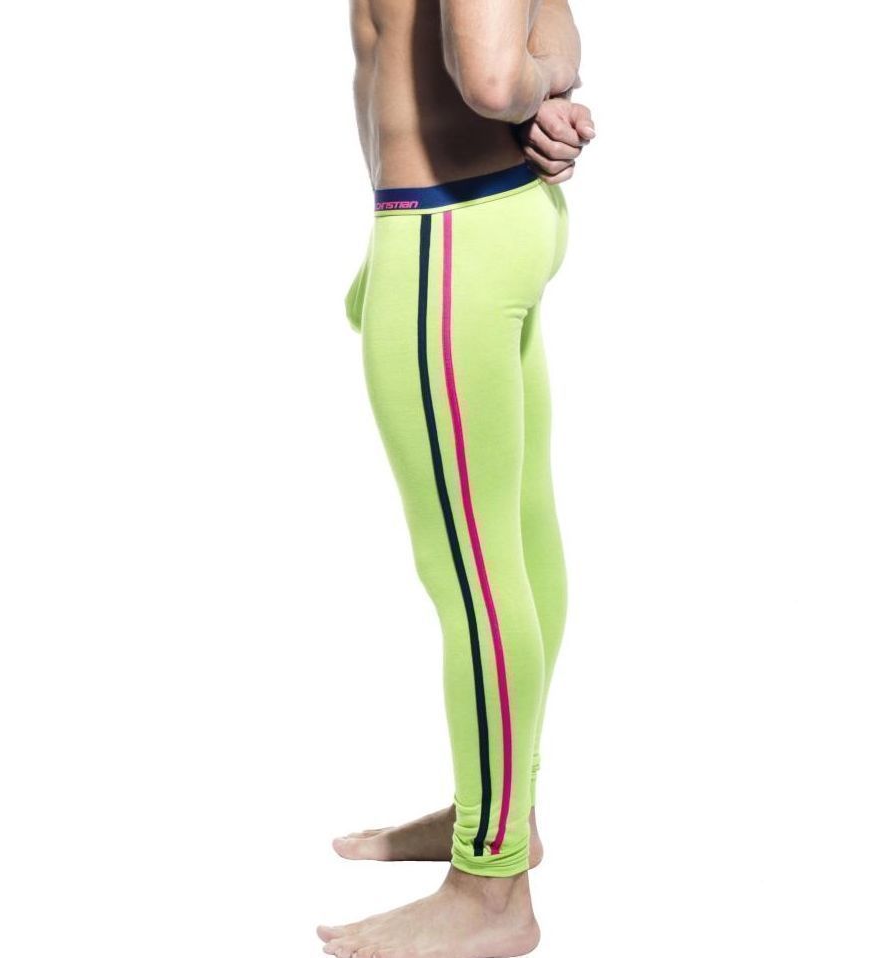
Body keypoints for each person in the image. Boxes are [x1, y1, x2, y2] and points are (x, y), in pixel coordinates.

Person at [320, 1, 594, 955]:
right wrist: (545, 89)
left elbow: (487, 77)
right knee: (518, 538)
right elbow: (552, 33)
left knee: (474, 578)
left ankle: (491, 891)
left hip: (449, 238)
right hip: (496, 219)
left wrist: (523, 90)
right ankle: (503, 809)